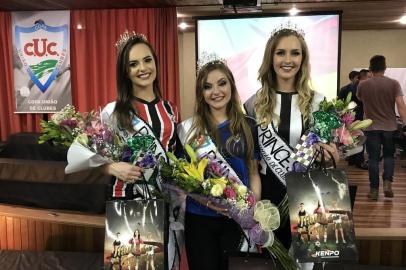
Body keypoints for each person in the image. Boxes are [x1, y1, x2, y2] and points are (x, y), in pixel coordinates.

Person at [244, 26, 339, 249]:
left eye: (295, 53)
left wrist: (330, 152)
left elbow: (331, 153)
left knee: (307, 257)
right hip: (268, 195)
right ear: (271, 58)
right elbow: (252, 161)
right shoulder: (252, 104)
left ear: (303, 58)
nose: (288, 60)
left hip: (310, 193)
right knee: (273, 258)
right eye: (281, 53)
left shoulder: (319, 103)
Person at [99, 31, 183, 269]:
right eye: (133, 64)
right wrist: (113, 167)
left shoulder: (170, 110)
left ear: (156, 62)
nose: (142, 68)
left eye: (147, 60)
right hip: (126, 201)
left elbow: (174, 156)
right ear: (125, 72)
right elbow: (89, 159)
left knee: (164, 264)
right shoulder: (112, 112)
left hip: (163, 202)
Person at [178, 59, 261, 270]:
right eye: (207, 86)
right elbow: (183, 181)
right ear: (201, 93)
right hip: (200, 219)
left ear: (231, 86)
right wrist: (207, 202)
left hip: (237, 219)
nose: (216, 91)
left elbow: (253, 174)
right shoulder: (189, 130)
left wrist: (252, 213)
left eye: (222, 83)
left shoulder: (248, 125)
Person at [357, 55, 406, 200]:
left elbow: (360, 98)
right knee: (389, 156)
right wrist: (405, 124)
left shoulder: (363, 84)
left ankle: (373, 191)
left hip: (371, 127)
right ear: (384, 68)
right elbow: (401, 106)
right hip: (390, 127)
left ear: (370, 68)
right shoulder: (394, 84)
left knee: (372, 159)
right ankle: (387, 183)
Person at [339, 70, 368, 170]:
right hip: (360, 116)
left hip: (348, 116)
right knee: (360, 138)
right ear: (356, 78)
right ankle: (359, 161)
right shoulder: (363, 88)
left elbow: (339, 102)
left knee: (351, 138)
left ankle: (351, 159)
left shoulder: (344, 88)